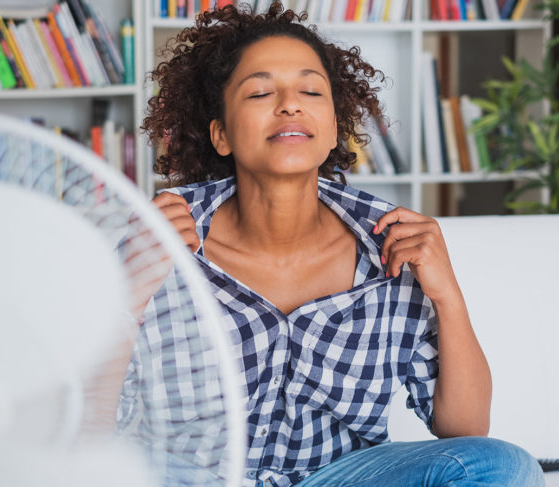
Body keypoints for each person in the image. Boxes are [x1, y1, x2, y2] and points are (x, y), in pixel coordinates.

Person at [119, 3, 544, 486]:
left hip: (337, 477)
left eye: (310, 90)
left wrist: (448, 295)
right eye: (260, 91)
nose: (290, 104)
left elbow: (465, 431)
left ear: (334, 127)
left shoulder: (388, 243)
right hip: (192, 477)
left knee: (504, 466)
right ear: (221, 135)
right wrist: (129, 293)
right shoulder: (160, 236)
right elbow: (90, 421)